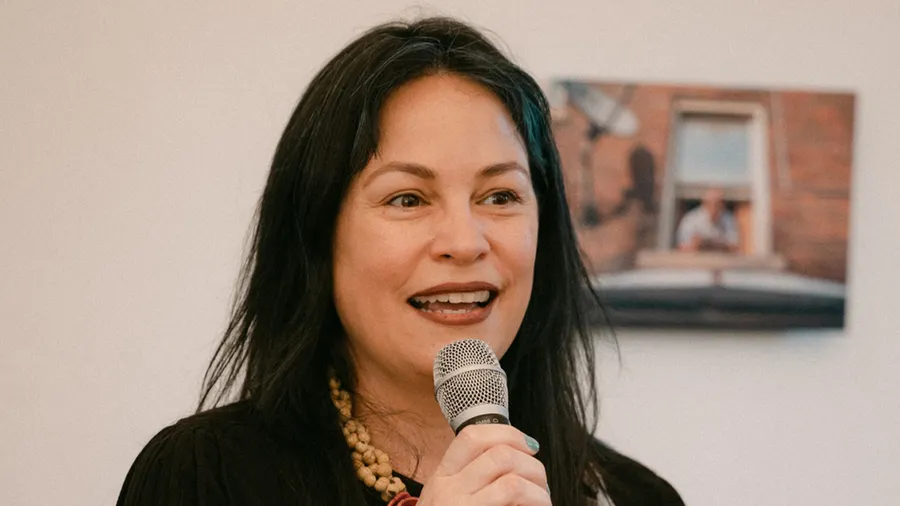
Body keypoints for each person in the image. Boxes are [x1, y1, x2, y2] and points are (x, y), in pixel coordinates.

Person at [116, 17, 685, 506]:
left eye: (500, 196)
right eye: (407, 199)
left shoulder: (632, 496)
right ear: (319, 235)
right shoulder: (203, 477)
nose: (464, 242)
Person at [676, 187, 740, 253]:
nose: (714, 207)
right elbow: (682, 248)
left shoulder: (728, 219)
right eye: (711, 203)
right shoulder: (691, 219)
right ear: (704, 203)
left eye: (719, 203)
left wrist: (706, 244)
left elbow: (735, 247)